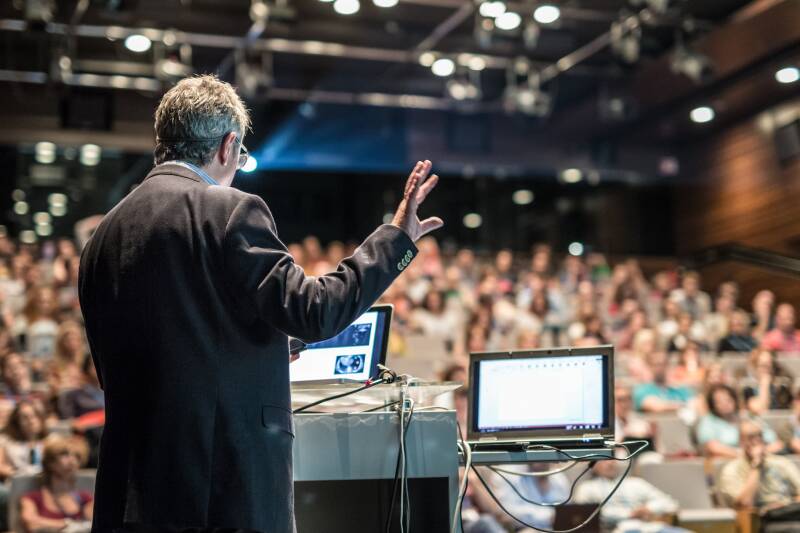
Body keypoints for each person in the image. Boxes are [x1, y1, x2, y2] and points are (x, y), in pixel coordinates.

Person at [78, 75, 442, 533]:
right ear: (229, 146)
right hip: (220, 491)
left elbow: (162, 349)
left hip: (129, 495)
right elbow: (315, 311)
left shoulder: (102, 237)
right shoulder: (228, 208)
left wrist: (259, 347)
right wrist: (396, 240)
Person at [574, 459, 689, 533]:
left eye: (612, 459)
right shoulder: (587, 488)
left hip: (650, 528)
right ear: (593, 465)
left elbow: (669, 503)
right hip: (616, 529)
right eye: (604, 460)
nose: (609, 463)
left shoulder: (635, 483)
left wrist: (649, 508)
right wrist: (630, 514)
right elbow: (585, 515)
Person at [719, 420, 800, 523]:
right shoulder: (732, 469)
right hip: (759, 520)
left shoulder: (781, 462)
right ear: (741, 441)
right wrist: (756, 465)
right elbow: (744, 504)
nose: (757, 440)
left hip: (788, 514)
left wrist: (787, 505)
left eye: (759, 435)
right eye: (750, 437)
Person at [19, 434, 93, 533]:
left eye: (77, 457)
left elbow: (93, 523)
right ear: (50, 462)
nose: (72, 461)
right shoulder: (33, 497)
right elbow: (31, 524)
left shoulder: (85, 498)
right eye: (65, 455)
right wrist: (67, 524)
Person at [695, 384, 782, 458]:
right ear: (713, 404)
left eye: (728, 399)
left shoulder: (748, 417)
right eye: (719, 401)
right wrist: (742, 455)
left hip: (758, 460)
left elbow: (775, 443)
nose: (724, 404)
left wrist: (760, 452)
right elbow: (712, 447)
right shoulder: (708, 422)